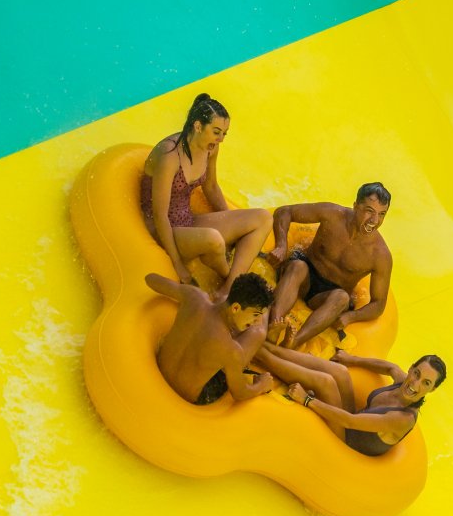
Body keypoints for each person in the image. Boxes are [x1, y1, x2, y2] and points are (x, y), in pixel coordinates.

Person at [140, 92, 271, 301]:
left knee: (263, 218)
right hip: (163, 228)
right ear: (198, 126)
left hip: (187, 220)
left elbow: (210, 187)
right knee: (214, 239)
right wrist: (178, 266)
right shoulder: (170, 156)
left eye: (224, 134)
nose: (220, 139)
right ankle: (229, 274)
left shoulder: (211, 149)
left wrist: (233, 224)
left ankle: (228, 289)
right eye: (216, 132)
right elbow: (159, 215)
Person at [256, 345, 446, 455]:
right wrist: (351, 359)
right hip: (352, 420)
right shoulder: (403, 382)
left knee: (326, 382)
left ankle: (260, 355)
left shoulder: (403, 419)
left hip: (347, 443)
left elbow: (350, 421)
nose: (415, 384)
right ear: (411, 368)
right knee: (340, 371)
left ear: (432, 389)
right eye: (417, 373)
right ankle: (266, 346)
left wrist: (306, 399)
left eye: (426, 383)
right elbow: (390, 368)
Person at [267, 183, 393, 346]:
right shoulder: (332, 214)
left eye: (381, 214)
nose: (374, 221)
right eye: (369, 211)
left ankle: (293, 342)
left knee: (342, 298)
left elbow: (379, 304)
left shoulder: (380, 255)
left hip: (327, 296)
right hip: (305, 276)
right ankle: (273, 325)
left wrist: (351, 316)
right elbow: (284, 212)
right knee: (298, 266)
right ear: (355, 206)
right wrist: (281, 245)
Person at [145, 269, 277, 406]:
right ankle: (272, 293)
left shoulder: (193, 296)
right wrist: (262, 385)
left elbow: (150, 279)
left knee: (224, 310)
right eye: (255, 315)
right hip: (186, 398)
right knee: (258, 333)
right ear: (236, 308)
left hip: (159, 369)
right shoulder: (232, 351)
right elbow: (240, 393)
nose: (257, 321)